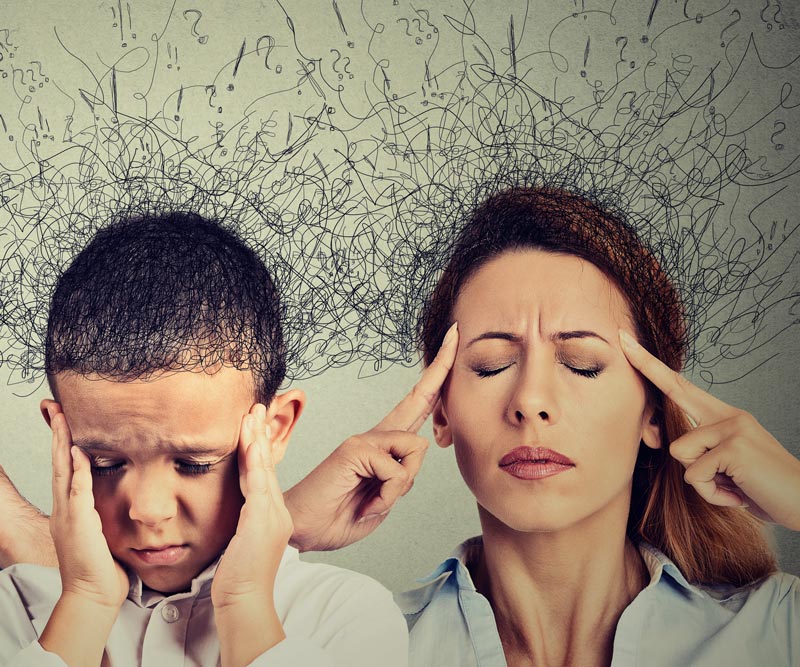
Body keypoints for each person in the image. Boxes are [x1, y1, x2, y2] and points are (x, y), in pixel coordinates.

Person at [392, 186, 800, 666]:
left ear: (652, 411)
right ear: (441, 411)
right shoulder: (366, 643)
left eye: (582, 364)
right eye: (491, 365)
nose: (530, 401)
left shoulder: (778, 631)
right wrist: (294, 530)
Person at [0, 211, 424, 667]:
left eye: (194, 462)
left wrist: (244, 602)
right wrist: (85, 603)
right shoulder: (15, 612)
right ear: (60, 435)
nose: (147, 509)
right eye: (105, 462)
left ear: (274, 428)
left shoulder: (346, 616)